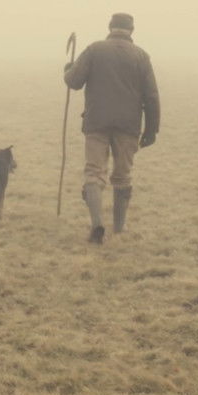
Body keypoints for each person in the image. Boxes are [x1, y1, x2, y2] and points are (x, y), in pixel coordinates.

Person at [63, 12, 160, 243]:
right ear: (132, 30)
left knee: (94, 172)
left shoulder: (94, 50)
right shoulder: (141, 56)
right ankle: (118, 228)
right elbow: (152, 96)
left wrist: (68, 68)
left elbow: (74, 82)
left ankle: (97, 224)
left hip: (96, 121)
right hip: (128, 125)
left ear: (110, 27)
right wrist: (151, 130)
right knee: (122, 175)